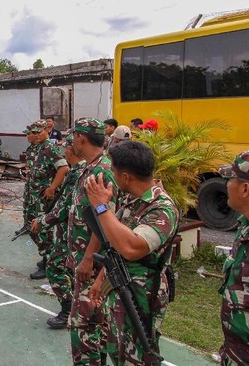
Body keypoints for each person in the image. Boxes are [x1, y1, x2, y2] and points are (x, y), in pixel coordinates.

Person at [87, 140, 179, 365]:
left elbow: (131, 248)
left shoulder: (162, 208)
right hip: (119, 286)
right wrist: (101, 281)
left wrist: (101, 207)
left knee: (138, 355)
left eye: (113, 171)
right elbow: (114, 246)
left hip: (142, 296)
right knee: (116, 349)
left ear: (126, 176)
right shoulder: (132, 200)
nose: (111, 175)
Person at [67, 117, 119, 365]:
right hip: (86, 263)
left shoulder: (101, 171)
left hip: (94, 267)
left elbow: (105, 224)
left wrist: (88, 259)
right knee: (94, 329)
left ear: (81, 137)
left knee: (84, 330)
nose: (72, 141)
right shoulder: (91, 167)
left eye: (73, 136)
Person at [32, 133, 85, 329]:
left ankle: (67, 309)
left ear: (72, 151)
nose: (65, 153)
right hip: (69, 230)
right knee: (70, 269)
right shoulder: (80, 170)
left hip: (75, 233)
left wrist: (43, 221)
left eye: (66, 150)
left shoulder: (79, 173)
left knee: (55, 267)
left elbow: (64, 205)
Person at [217, 151, 249, 366]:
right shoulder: (246, 226)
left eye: (229, 179)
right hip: (237, 351)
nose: (226, 185)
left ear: (245, 188)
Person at [23, 120, 68, 280]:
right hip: (33, 196)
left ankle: (49, 261)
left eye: (36, 132)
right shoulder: (35, 148)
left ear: (45, 131)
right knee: (31, 226)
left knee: (43, 230)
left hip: (43, 197)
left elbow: (63, 168)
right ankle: (46, 255)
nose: (32, 136)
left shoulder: (50, 148)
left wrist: (52, 188)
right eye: (31, 133)